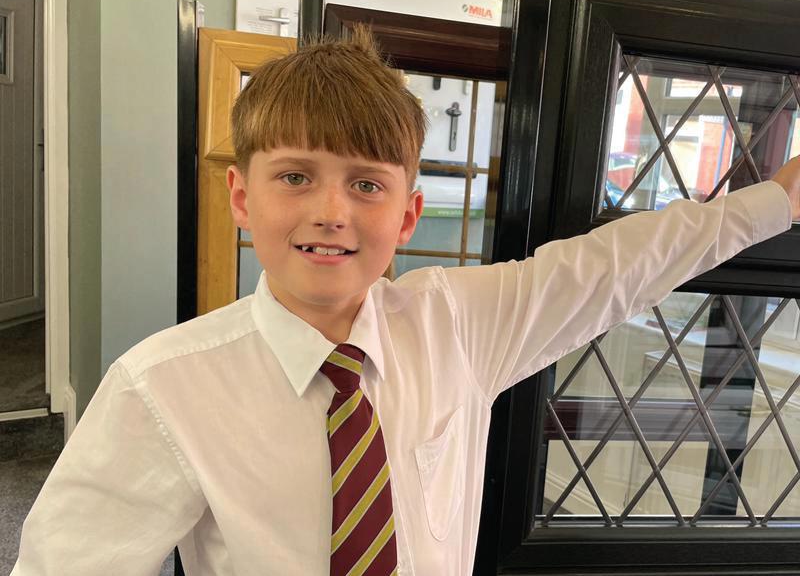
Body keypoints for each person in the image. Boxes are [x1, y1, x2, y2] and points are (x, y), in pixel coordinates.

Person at [11, 28, 800, 576]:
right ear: (242, 197)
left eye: (366, 184)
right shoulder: (162, 388)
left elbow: (613, 268)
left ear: (408, 215)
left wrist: (778, 201)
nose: (331, 212)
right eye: (295, 177)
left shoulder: (459, 323)